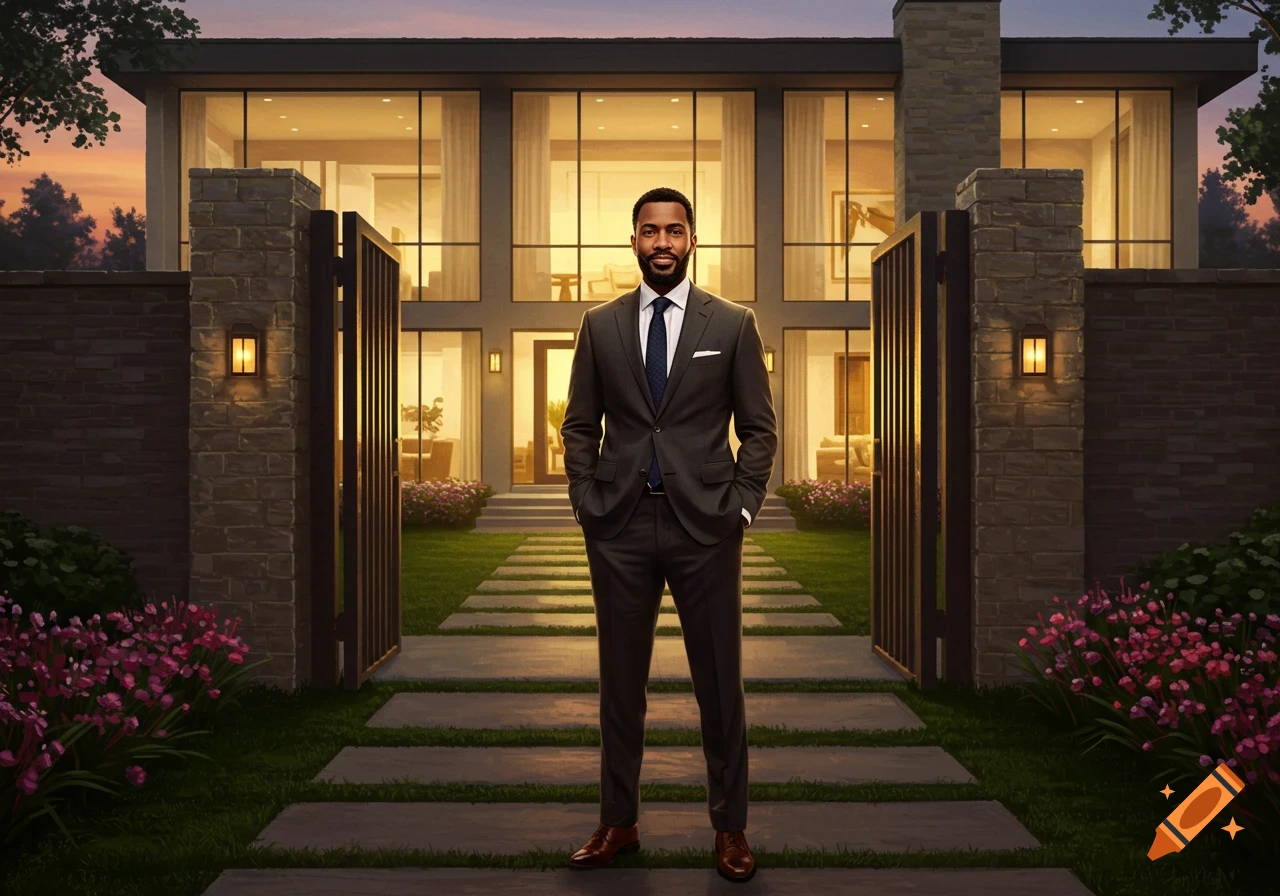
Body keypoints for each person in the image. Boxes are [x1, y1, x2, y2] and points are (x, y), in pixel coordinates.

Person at [560, 186, 778, 882]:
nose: (662, 243)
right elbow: (577, 425)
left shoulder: (734, 324)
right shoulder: (600, 325)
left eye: (674, 231)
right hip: (620, 526)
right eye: (649, 232)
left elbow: (760, 430)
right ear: (633, 241)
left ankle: (730, 829)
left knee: (720, 684)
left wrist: (740, 506)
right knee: (619, 684)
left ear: (692, 239)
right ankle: (617, 821)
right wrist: (586, 500)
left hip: (706, 529)